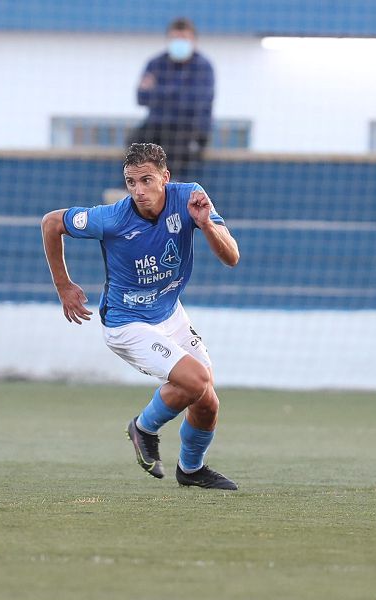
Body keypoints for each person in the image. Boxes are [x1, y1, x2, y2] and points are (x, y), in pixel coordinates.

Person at [41, 143, 240, 490]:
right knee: (194, 381)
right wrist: (63, 285)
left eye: (146, 180)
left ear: (165, 177)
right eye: (131, 182)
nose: (138, 190)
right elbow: (51, 222)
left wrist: (206, 224)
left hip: (169, 312)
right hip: (127, 323)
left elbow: (232, 256)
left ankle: (191, 470)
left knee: (208, 401)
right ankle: (143, 428)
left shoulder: (191, 198)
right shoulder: (112, 218)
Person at [126, 17, 214, 182]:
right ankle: (133, 186)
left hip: (189, 128)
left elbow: (195, 103)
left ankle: (171, 188)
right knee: (135, 142)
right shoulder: (156, 63)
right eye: (175, 38)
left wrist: (157, 91)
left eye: (184, 39)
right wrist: (179, 92)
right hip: (158, 125)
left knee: (174, 146)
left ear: (193, 41)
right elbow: (141, 97)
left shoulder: (203, 67)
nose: (179, 43)